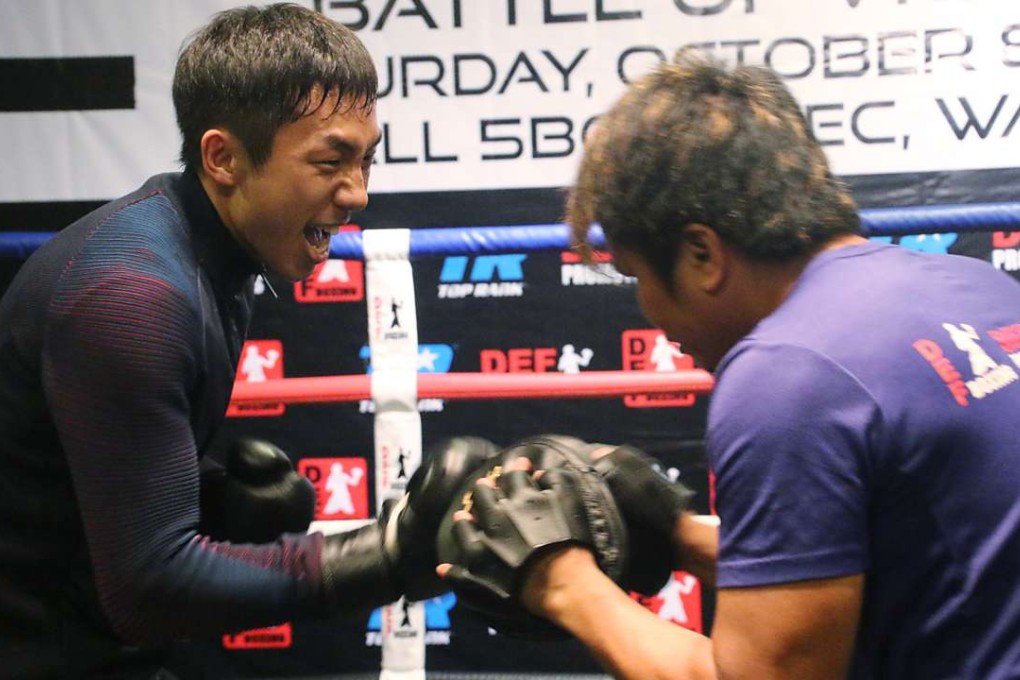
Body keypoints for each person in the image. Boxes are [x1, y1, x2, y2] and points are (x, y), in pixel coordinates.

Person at [441, 53, 1020, 679]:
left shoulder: (790, 373)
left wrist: (560, 581)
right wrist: (680, 539)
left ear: (701, 254)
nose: (647, 314)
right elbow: (902, 571)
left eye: (636, 278)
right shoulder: (976, 287)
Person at [0, 4, 497, 678]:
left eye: (366, 160)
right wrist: (389, 553)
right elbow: (148, 589)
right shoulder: (131, 298)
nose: (357, 193)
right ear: (224, 157)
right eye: (330, 161)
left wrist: (212, 498)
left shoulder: (220, 256)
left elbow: (65, 477)